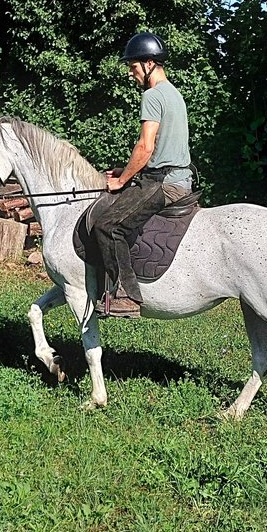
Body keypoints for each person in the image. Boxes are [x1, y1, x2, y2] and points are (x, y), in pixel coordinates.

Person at [92, 32, 194, 318]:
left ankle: (125, 296)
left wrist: (121, 181)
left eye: (133, 66)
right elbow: (164, 149)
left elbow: (146, 147)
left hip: (163, 183)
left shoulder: (152, 95)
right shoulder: (173, 93)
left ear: (149, 63)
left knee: (107, 225)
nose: (130, 72)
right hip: (178, 176)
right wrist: (125, 169)